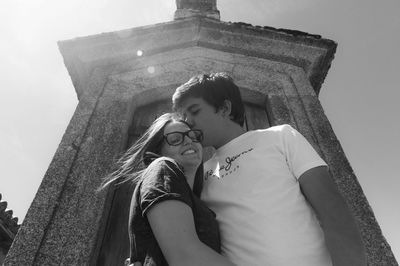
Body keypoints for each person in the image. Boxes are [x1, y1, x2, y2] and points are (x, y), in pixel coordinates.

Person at [172, 73, 367, 266]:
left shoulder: (281, 137)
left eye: (194, 111)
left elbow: (332, 209)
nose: (188, 122)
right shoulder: (199, 173)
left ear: (224, 108)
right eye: (184, 117)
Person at [101, 113, 235, 266]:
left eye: (193, 136)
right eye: (175, 139)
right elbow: (186, 257)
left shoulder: (194, 199)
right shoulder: (164, 167)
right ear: (159, 150)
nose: (188, 141)